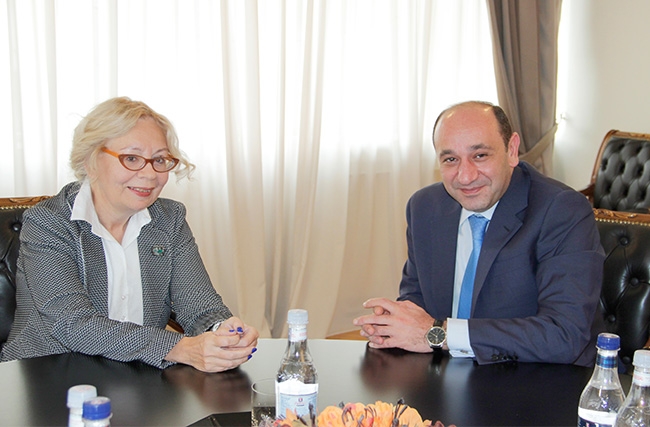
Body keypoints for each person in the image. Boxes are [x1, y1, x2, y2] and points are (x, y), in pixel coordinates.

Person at [0, 97, 258, 372]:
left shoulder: (169, 220)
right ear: (90, 161)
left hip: (138, 376)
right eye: (131, 158)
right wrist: (177, 347)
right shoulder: (48, 222)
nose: (149, 174)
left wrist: (223, 332)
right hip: (49, 376)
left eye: (159, 160)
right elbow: (72, 324)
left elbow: (201, 307)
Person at [353, 100, 605, 366]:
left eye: (480, 156)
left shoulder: (561, 210)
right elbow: (417, 300)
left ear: (512, 150)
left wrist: (439, 334)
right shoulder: (424, 207)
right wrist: (394, 324)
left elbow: (564, 335)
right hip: (447, 372)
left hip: (537, 376)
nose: (465, 176)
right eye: (451, 159)